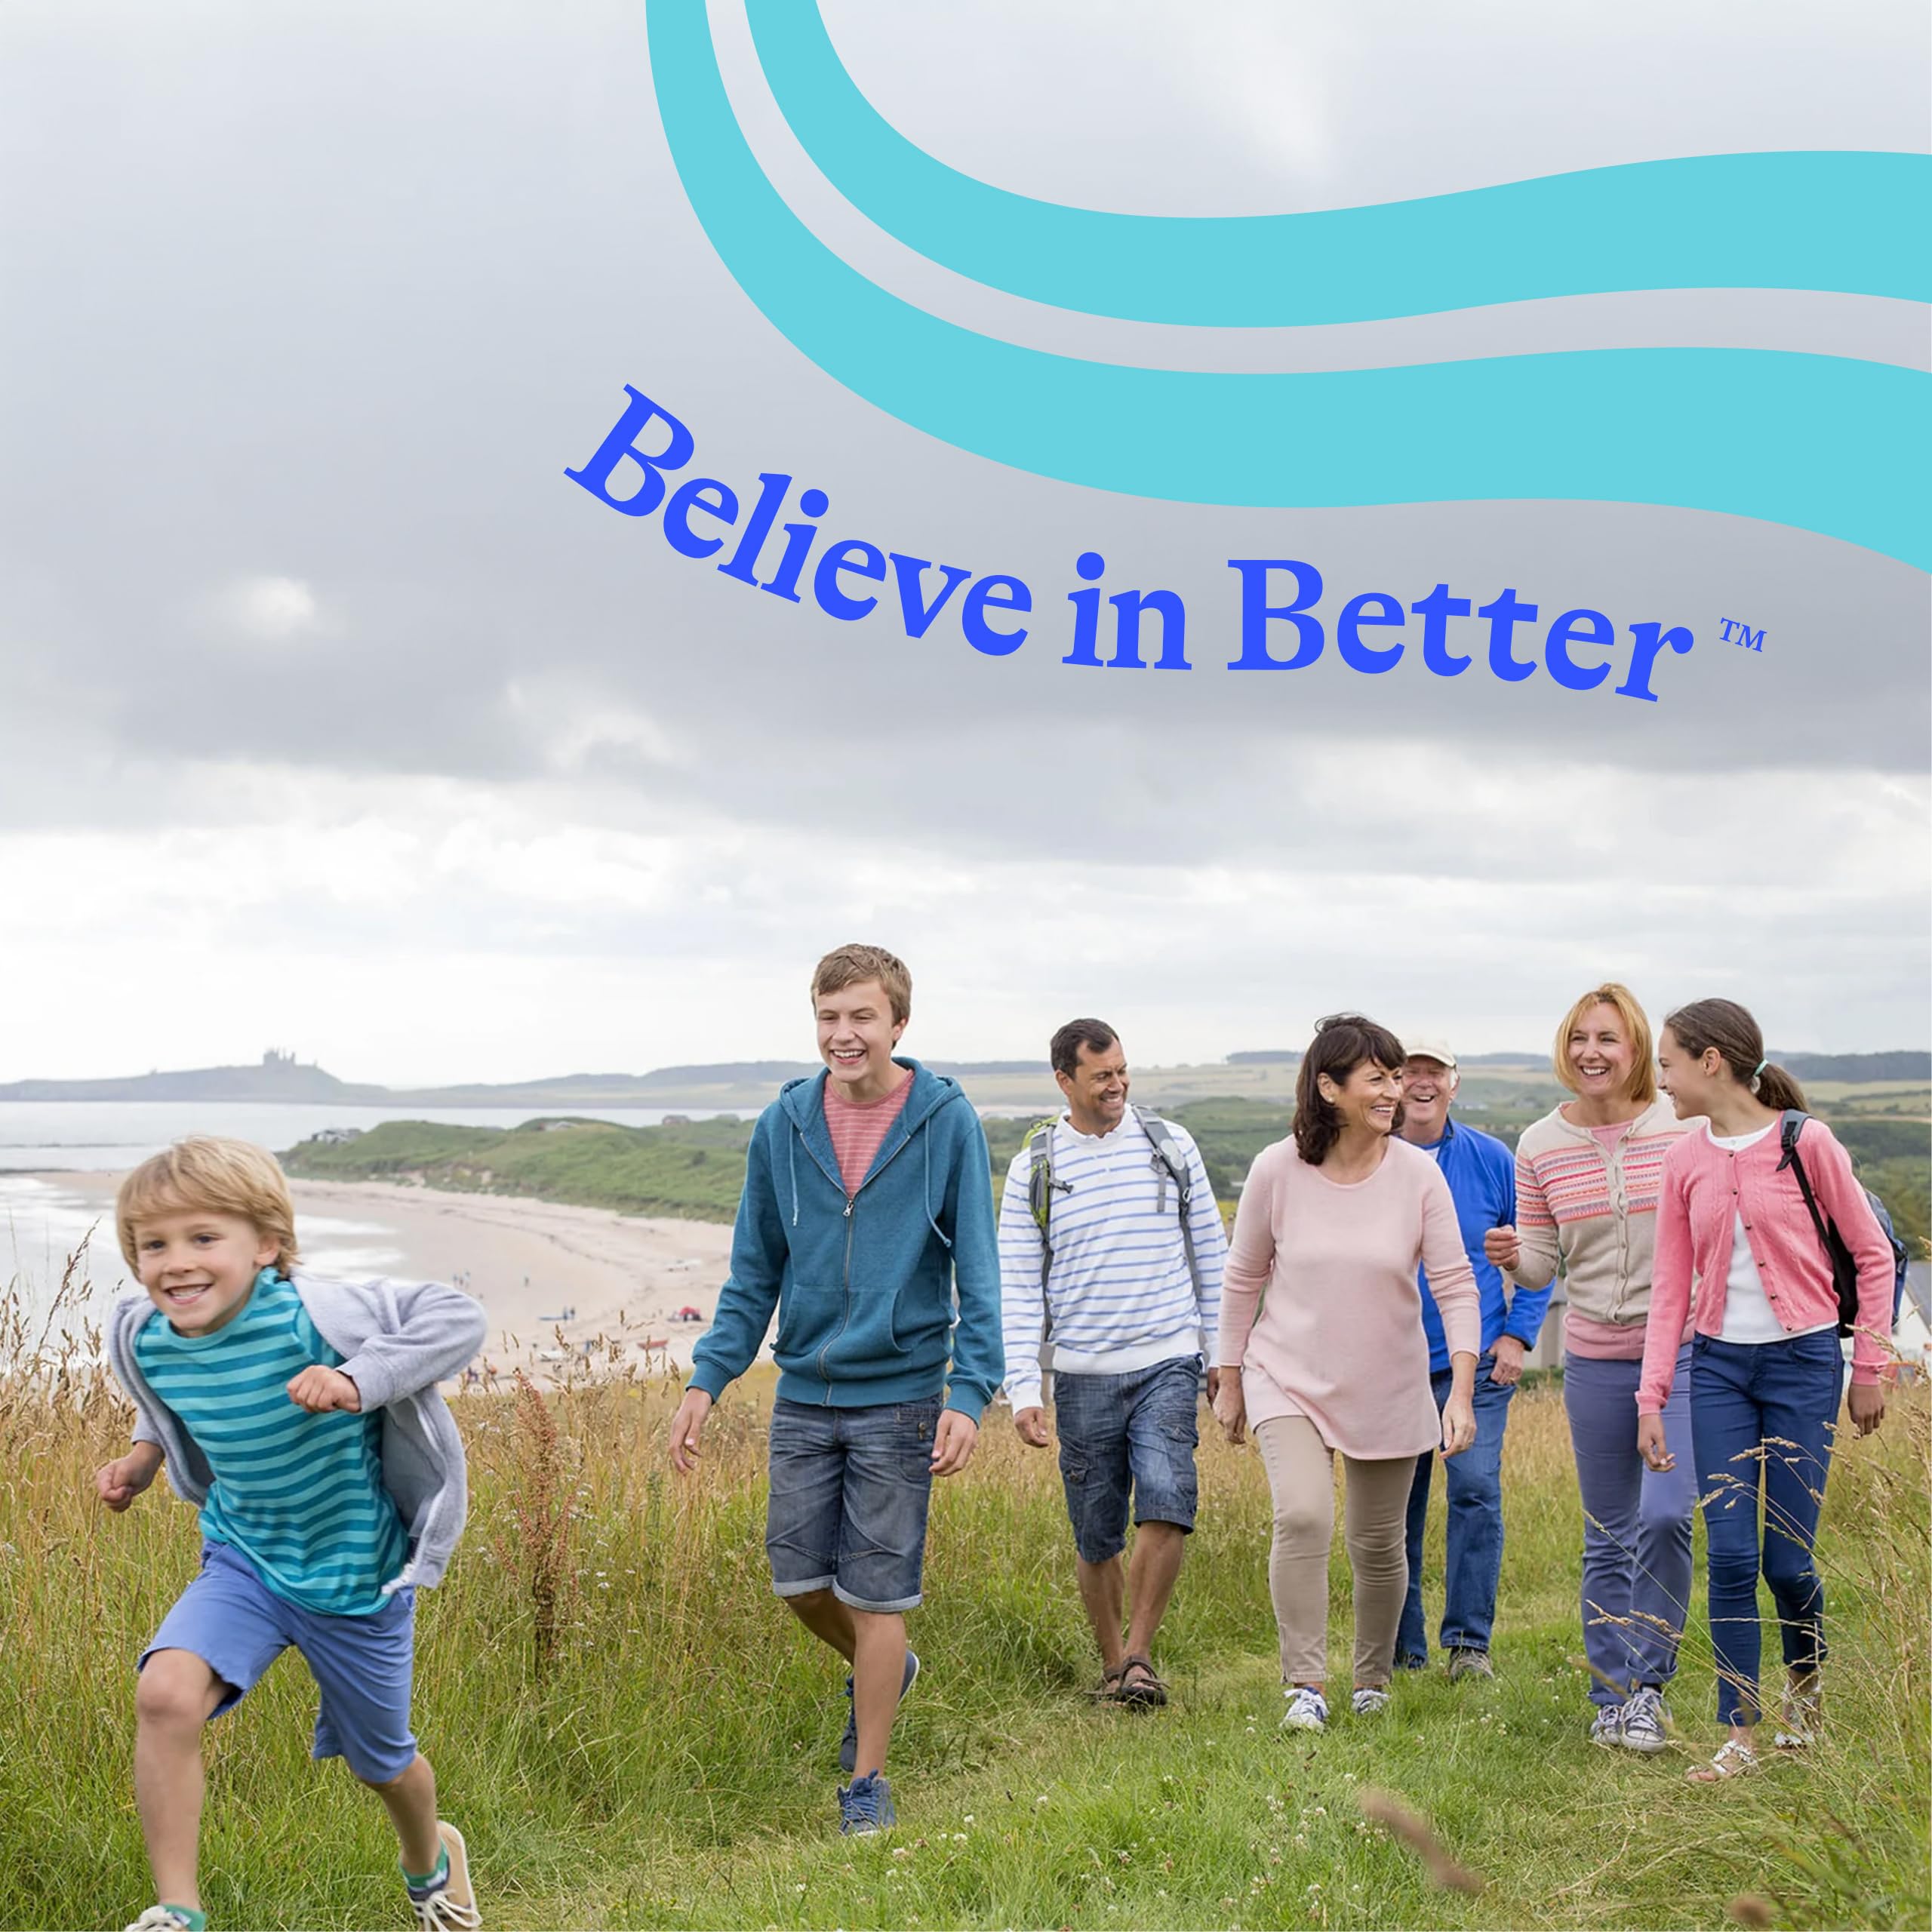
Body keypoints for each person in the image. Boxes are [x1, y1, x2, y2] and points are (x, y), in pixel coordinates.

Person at [97, 1137, 487, 1932]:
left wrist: (355, 1377)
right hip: (245, 1558)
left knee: (384, 1766)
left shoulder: (316, 1317)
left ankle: (429, 1861)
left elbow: (461, 1316)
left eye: (204, 1238)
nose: (176, 1263)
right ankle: (178, 1910)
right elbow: (183, 1398)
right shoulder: (148, 1335)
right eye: (154, 1244)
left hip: (352, 1577)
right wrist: (144, 1456)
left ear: (267, 1244)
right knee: (164, 1693)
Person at [666, 944, 1003, 1835]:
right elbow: (752, 1272)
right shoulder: (783, 1125)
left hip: (902, 1394)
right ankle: (887, 1671)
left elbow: (979, 1266)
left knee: (879, 1592)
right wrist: (709, 1379)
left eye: (861, 1016)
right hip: (805, 1391)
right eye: (828, 1016)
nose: (843, 1034)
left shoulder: (945, 1121)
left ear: (898, 1022)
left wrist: (970, 1392)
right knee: (798, 1581)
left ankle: (867, 1783)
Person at [1641, 999, 1892, 1781]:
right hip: (1716, 1371)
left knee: (1786, 1562)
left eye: (1669, 1063)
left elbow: (1873, 1255)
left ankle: (1805, 1690)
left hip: (1804, 1368)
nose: (1662, 1079)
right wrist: (1651, 1397)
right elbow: (1668, 1289)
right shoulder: (1685, 1158)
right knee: (1730, 1553)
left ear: (1711, 1061)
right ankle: (1739, 1732)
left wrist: (1870, 1372)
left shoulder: (1805, 1142)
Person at [1213, 1015, 1479, 1733]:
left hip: (1389, 1381)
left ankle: (1370, 1680)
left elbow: (1455, 1283)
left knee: (1377, 1543)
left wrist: (1460, 1385)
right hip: (1286, 1372)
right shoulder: (1277, 1169)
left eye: (1395, 1077)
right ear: (1329, 1088)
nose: (1393, 1091)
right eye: (1377, 1078)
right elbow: (1243, 1278)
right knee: (1302, 1515)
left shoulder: (1418, 1176)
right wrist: (1230, 1376)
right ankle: (1304, 1682)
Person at [1485, 983, 1693, 1755]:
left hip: (1682, 1349)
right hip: (1596, 1356)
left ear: (1635, 1047)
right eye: (1578, 1038)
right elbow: (1543, 1265)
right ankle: (1612, 1697)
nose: (1590, 1052)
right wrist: (1515, 1257)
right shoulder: (1538, 1143)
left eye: (1606, 1037)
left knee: (1667, 1514)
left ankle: (1651, 1683)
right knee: (1608, 1533)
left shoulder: (1681, 1127)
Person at [998, 1018, 1228, 1708]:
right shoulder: (1033, 1166)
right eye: (1102, 1076)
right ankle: (1111, 1667)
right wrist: (1022, 1389)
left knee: (1167, 1498)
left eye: (1123, 1070)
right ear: (1064, 1081)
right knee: (1095, 1530)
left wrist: (1223, 1357)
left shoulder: (1170, 1145)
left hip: (1168, 1357)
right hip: (1081, 1371)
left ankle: (1138, 1657)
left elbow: (1213, 1256)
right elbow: (1017, 1282)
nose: (1118, 1085)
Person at [1394, 1039, 1548, 1681]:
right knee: (1395, 1508)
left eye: (1435, 1072)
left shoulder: (1492, 1159)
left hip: (1478, 1363)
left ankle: (1467, 1647)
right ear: (1392, 1084)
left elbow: (1540, 1251)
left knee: (1476, 1493)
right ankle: (1401, 1649)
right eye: (1411, 1073)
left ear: (1454, 1083)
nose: (1423, 1084)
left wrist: (1518, 1334)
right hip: (1391, 1362)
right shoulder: (1370, 1155)